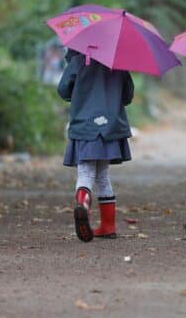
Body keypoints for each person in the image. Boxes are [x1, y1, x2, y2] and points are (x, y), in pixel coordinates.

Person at [57, 49, 134, 242]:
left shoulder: (78, 61)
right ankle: (108, 226)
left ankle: (83, 204)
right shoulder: (118, 63)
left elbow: (63, 90)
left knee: (85, 172)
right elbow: (128, 95)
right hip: (110, 127)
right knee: (102, 175)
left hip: (85, 125)